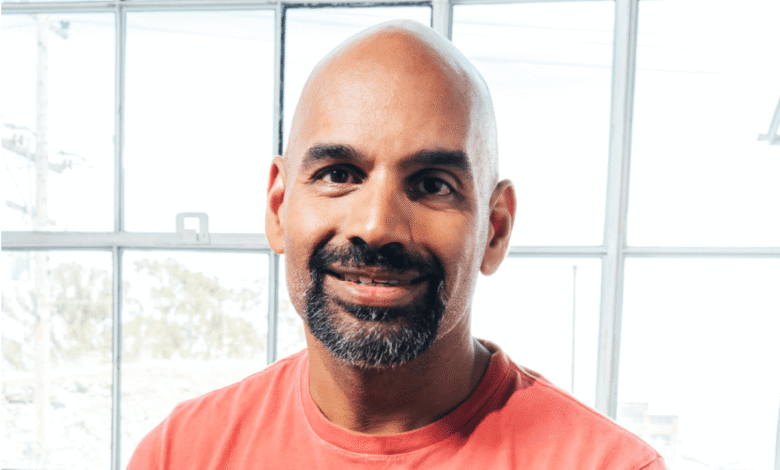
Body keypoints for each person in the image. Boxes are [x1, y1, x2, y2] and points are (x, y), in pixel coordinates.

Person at [127, 20, 666, 469]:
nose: (376, 226)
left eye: (432, 184)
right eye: (339, 174)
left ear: (495, 230)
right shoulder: (179, 454)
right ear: (278, 207)